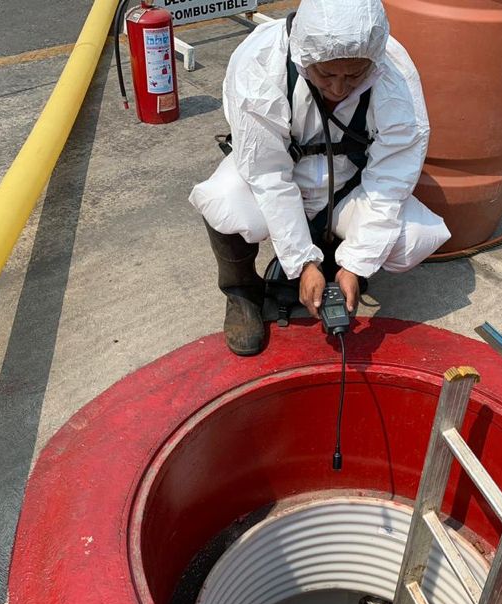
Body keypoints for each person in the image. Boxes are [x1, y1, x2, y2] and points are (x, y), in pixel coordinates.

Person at [189, 0, 450, 356]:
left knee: (412, 238)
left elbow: (389, 182)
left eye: (354, 75)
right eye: (326, 75)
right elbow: (268, 175)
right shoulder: (260, 62)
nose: (339, 89)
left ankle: (335, 262)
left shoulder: (394, 71)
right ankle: (242, 292)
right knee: (223, 199)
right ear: (303, 56)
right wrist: (301, 263)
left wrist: (356, 264)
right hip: (282, 180)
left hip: (347, 189)